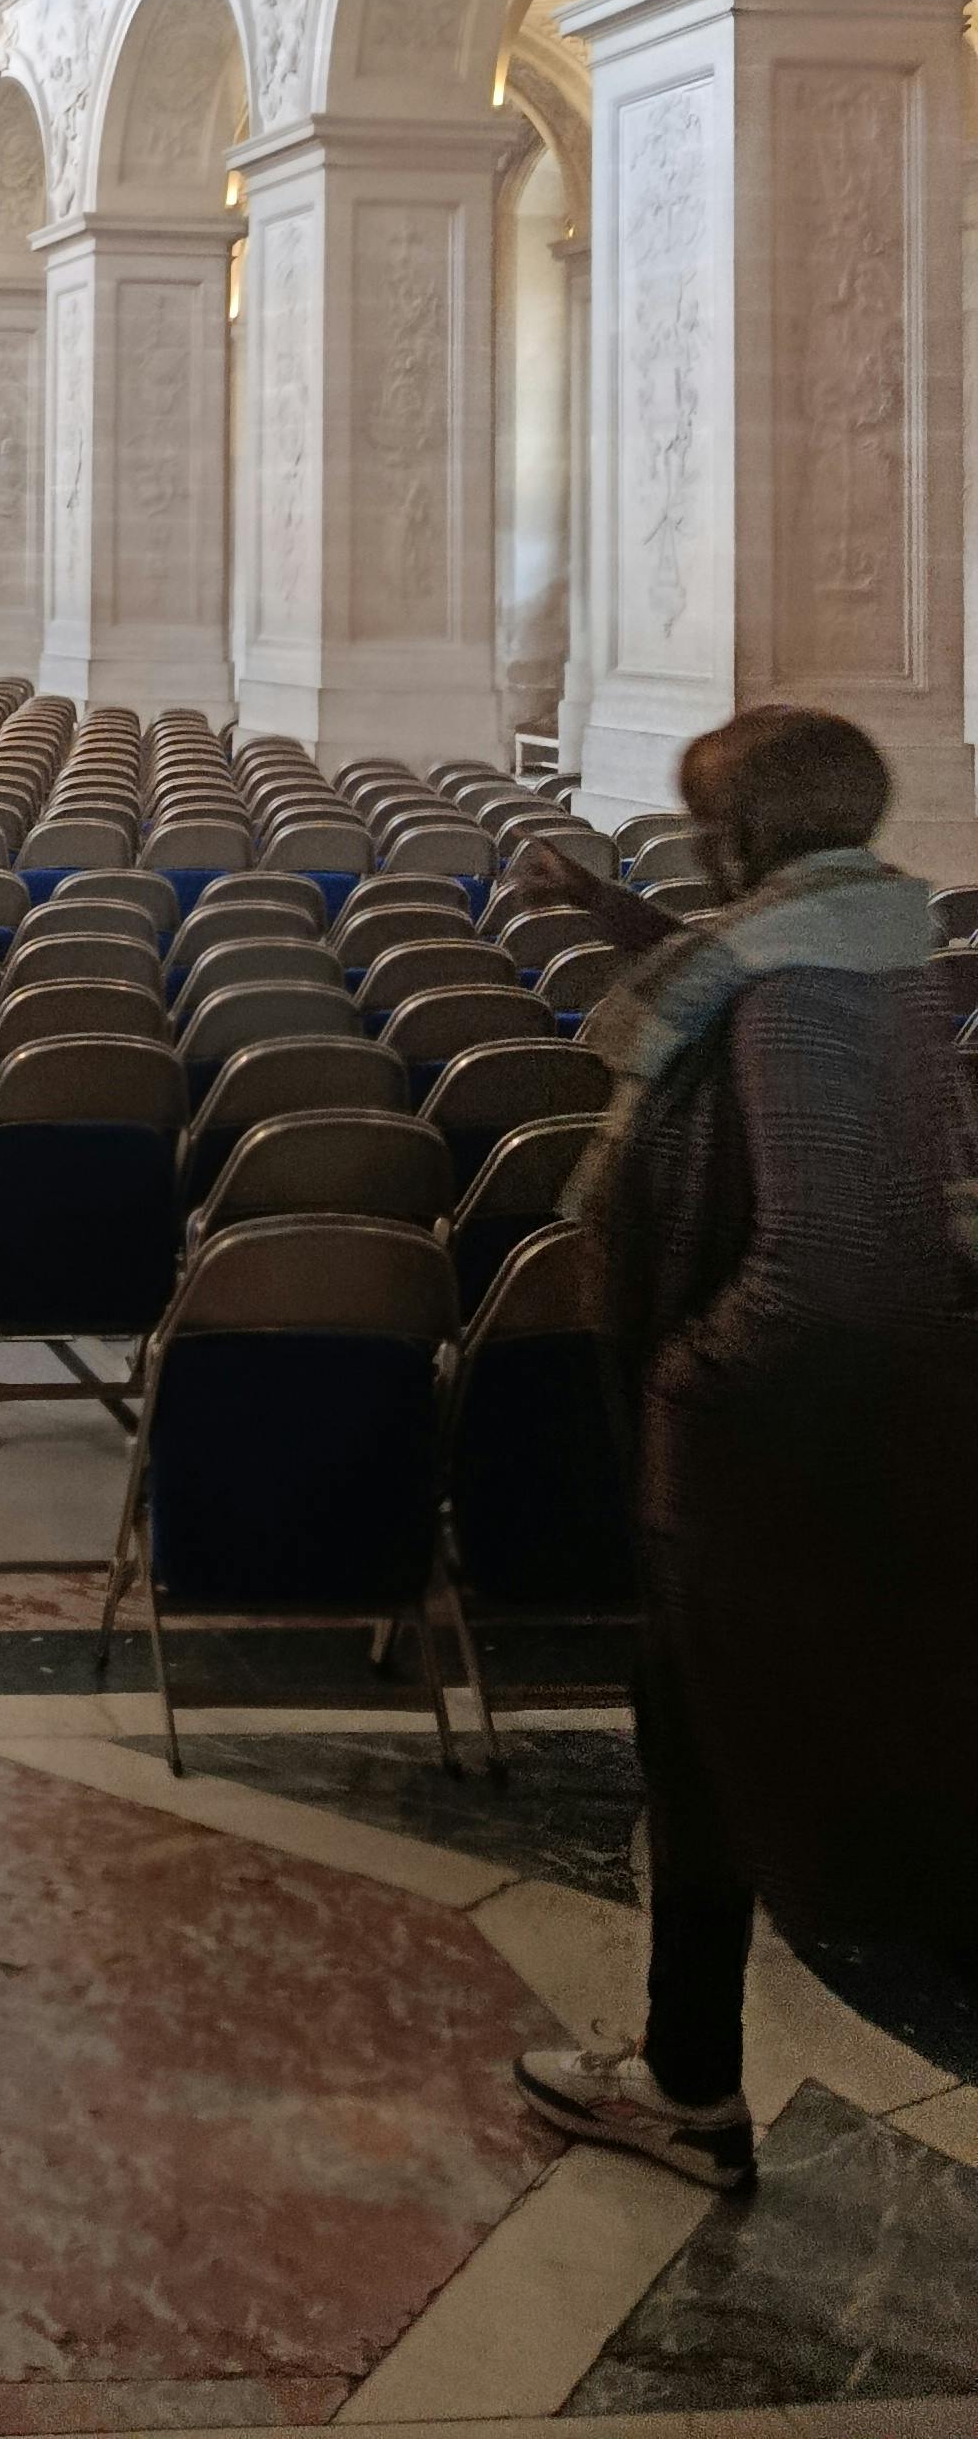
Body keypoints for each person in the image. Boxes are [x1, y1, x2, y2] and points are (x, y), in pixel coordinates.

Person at [504, 705, 978, 2188]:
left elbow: (821, 1254)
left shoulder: (794, 994)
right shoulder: (878, 947)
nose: (703, 849)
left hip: (764, 1441)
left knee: (712, 1747)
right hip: (858, 1424)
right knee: (755, 1742)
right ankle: (689, 2070)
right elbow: (758, 978)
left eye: (713, 823)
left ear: (748, 833)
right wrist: (605, 907)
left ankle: (693, 2085)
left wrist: (695, 1385)